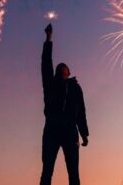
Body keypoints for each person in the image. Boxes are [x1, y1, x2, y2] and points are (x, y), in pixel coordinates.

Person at [40, 23, 89, 185]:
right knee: (47, 171)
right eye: (58, 67)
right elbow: (46, 63)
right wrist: (48, 39)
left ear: (69, 72)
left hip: (70, 132)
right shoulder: (50, 84)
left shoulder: (75, 88)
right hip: (52, 130)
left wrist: (84, 133)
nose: (61, 66)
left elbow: (81, 111)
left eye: (64, 66)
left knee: (73, 174)